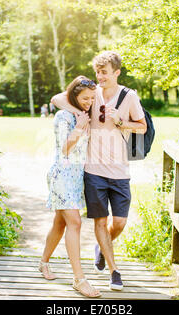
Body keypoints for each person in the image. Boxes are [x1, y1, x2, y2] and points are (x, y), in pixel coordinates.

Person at [51, 51, 147, 291]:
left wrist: (121, 122)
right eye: (97, 72)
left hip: (120, 171)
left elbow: (142, 127)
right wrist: (77, 111)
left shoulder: (129, 96)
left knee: (121, 222)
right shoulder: (91, 93)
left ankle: (101, 248)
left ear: (116, 72)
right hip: (93, 171)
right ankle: (114, 272)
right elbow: (56, 99)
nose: (99, 77)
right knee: (100, 222)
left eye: (104, 72)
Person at [40, 75, 101, 298]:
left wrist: (84, 118)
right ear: (74, 96)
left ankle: (43, 262)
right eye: (85, 98)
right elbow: (64, 148)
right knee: (74, 222)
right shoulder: (63, 117)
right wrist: (80, 127)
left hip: (76, 178)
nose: (89, 102)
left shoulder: (84, 113)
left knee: (60, 223)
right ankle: (79, 279)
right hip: (61, 175)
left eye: (92, 98)